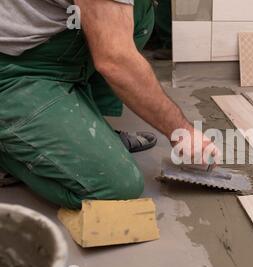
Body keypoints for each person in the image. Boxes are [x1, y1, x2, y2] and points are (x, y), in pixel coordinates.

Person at [0, 0, 218, 209]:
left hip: (46, 50)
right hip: (14, 70)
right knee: (116, 187)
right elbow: (115, 59)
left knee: (140, 10)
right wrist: (183, 132)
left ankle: (87, 126)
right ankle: (11, 150)